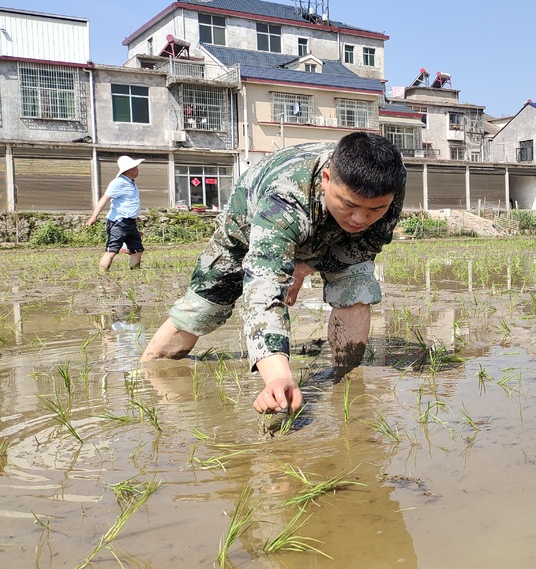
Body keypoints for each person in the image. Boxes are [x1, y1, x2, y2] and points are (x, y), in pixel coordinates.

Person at [140, 132, 406, 415]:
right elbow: (264, 289)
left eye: (376, 208)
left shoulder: (392, 178)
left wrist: (304, 267)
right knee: (204, 306)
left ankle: (346, 379)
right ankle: (148, 375)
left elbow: (365, 244)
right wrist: (278, 375)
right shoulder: (283, 199)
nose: (360, 218)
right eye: (350, 205)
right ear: (327, 179)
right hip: (251, 219)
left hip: (329, 233)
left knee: (356, 286)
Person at [86, 156, 145, 273]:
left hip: (130, 222)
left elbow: (128, 202)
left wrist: (134, 215)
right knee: (112, 251)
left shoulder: (132, 183)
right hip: (119, 222)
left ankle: (135, 273)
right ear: (129, 169)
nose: (138, 169)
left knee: (138, 250)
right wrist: (94, 217)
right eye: (136, 167)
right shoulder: (118, 182)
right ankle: (102, 274)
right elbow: (105, 198)